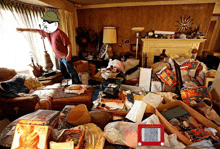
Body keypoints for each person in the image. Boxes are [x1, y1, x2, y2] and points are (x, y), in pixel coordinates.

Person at [17, 12, 81, 84]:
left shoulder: (60, 33)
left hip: (65, 56)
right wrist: (23, 30)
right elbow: (37, 30)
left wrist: (69, 55)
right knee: (63, 72)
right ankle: (69, 85)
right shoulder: (48, 33)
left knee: (71, 71)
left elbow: (68, 44)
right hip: (59, 57)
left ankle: (78, 84)